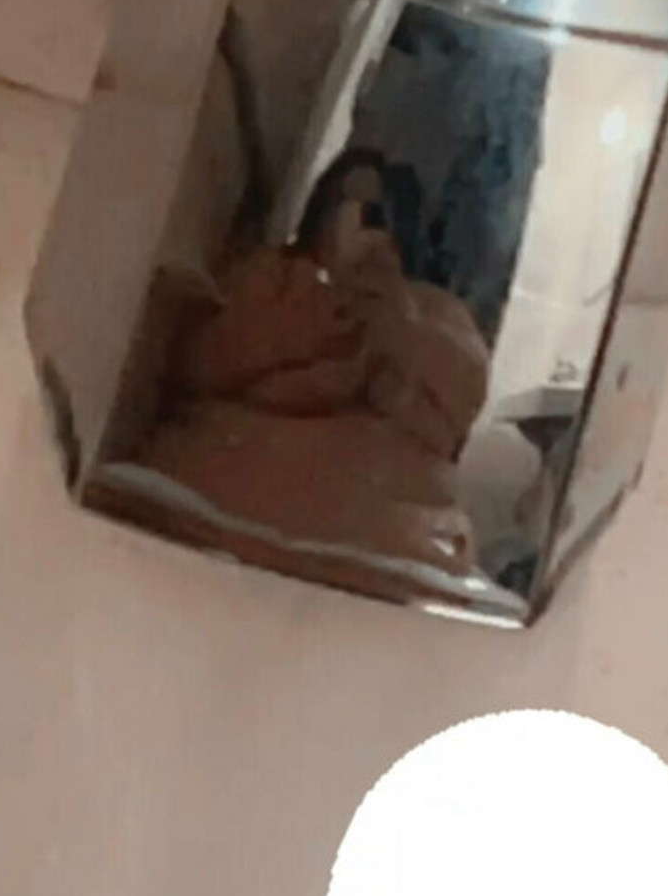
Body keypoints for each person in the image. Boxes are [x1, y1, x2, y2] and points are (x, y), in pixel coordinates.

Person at [143, 150, 491, 587]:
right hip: (237, 490)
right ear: (323, 209)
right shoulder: (269, 275)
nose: (362, 224)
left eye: (377, 213)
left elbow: (460, 402)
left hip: (392, 529)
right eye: (349, 204)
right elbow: (200, 361)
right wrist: (302, 328)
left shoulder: (435, 311)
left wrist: (397, 326)